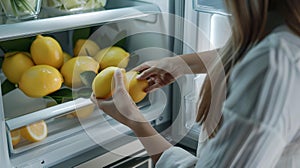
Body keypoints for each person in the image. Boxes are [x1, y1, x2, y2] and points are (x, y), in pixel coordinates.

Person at [90, 0, 300, 167]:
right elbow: (247, 51)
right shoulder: (281, 33)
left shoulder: (274, 62)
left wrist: (136, 121)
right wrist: (182, 64)